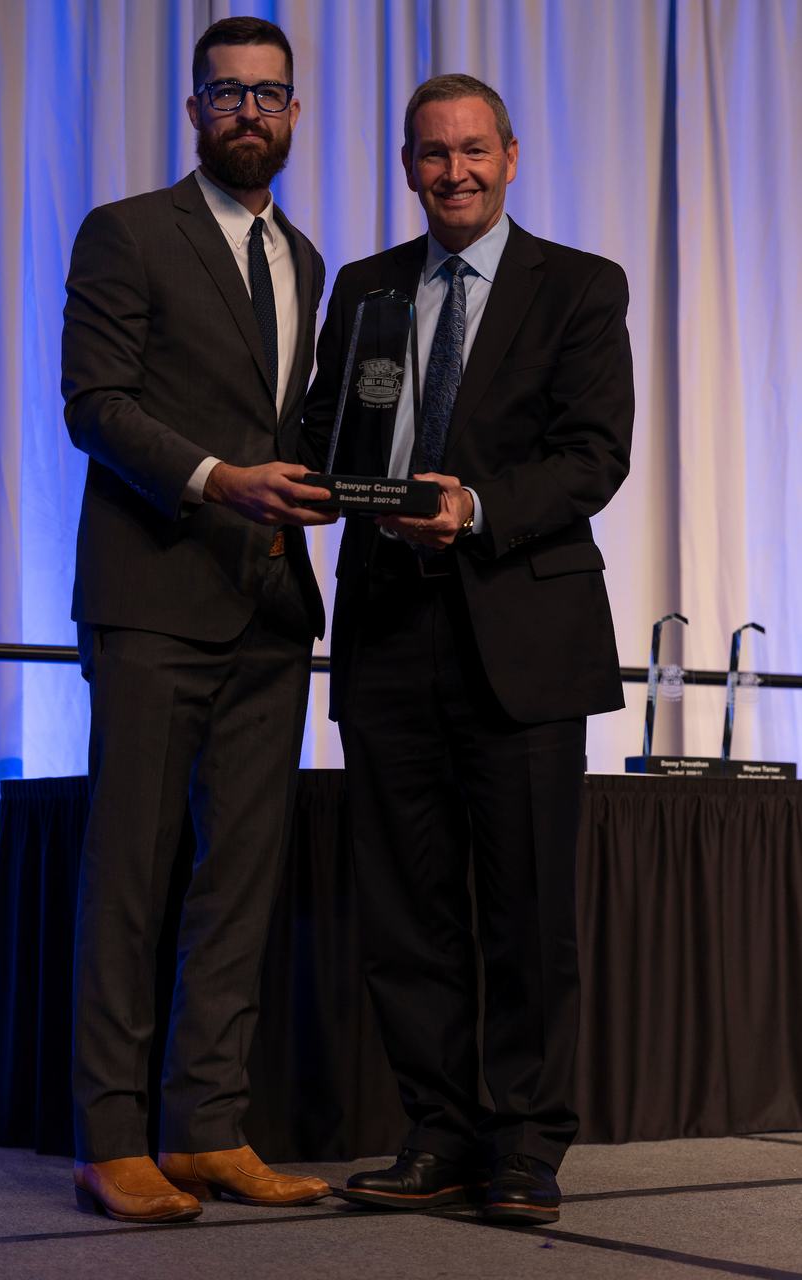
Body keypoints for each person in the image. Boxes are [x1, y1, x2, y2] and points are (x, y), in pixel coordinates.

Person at [302, 74, 634, 1224]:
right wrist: (305, 481)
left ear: (512, 155)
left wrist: (474, 505)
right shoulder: (364, 287)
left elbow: (594, 455)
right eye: (434, 154)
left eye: (474, 151)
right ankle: (436, 1131)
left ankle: (527, 1144)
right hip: (389, 632)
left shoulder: (581, 288)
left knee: (528, 909)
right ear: (406, 166)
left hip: (524, 634)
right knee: (407, 907)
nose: (456, 172)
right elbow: (323, 431)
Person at [62, 16, 337, 1224]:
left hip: (268, 606)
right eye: (224, 95)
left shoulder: (310, 259)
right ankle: (111, 1135)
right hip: (152, 596)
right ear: (192, 112)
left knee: (240, 879)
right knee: (130, 872)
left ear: (293, 112)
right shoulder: (125, 232)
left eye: (268, 95)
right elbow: (93, 404)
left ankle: (206, 1125)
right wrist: (221, 479)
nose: (247, 114)